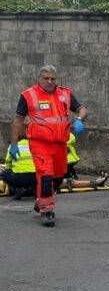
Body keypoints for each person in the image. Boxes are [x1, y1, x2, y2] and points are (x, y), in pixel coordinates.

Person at [9, 65, 87, 227]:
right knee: (45, 175)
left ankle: (41, 202)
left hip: (59, 144)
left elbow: (82, 109)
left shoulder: (65, 93)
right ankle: (47, 211)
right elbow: (17, 122)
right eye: (46, 78)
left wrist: (79, 119)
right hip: (39, 144)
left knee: (58, 178)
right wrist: (14, 144)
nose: (50, 81)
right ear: (39, 79)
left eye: (53, 78)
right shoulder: (28, 95)